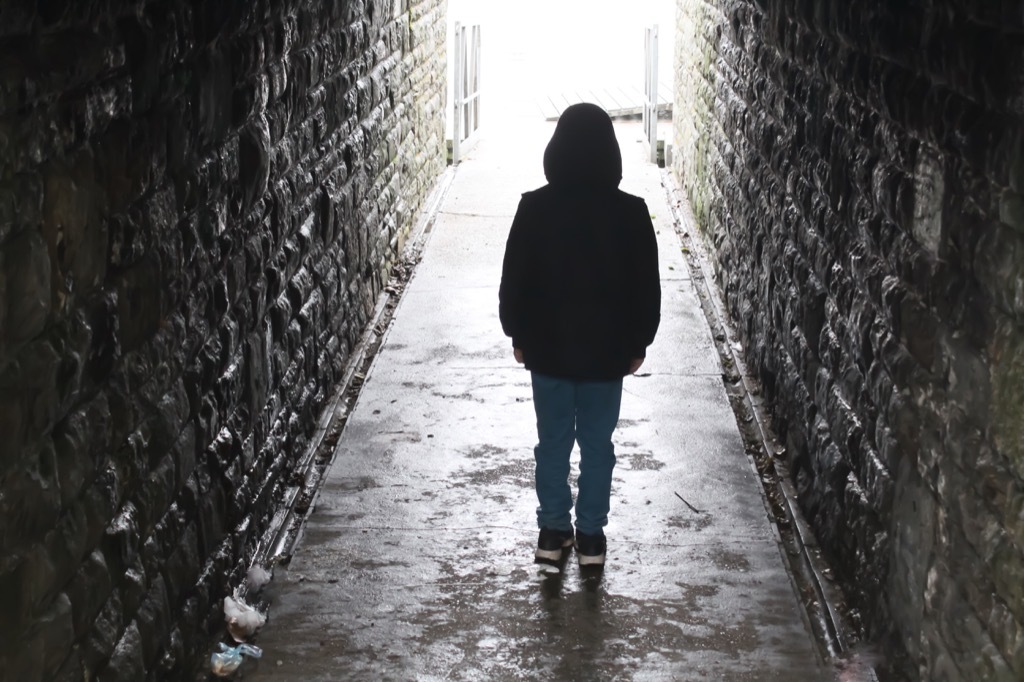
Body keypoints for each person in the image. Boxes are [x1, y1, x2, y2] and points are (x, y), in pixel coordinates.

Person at [498, 103, 661, 566]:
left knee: (551, 442)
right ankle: (591, 536)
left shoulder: (534, 208)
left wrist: (517, 332)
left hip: (548, 349)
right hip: (606, 353)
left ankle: (552, 532)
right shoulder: (631, 213)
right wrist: (638, 342)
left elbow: (516, 277)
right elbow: (645, 284)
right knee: (597, 445)